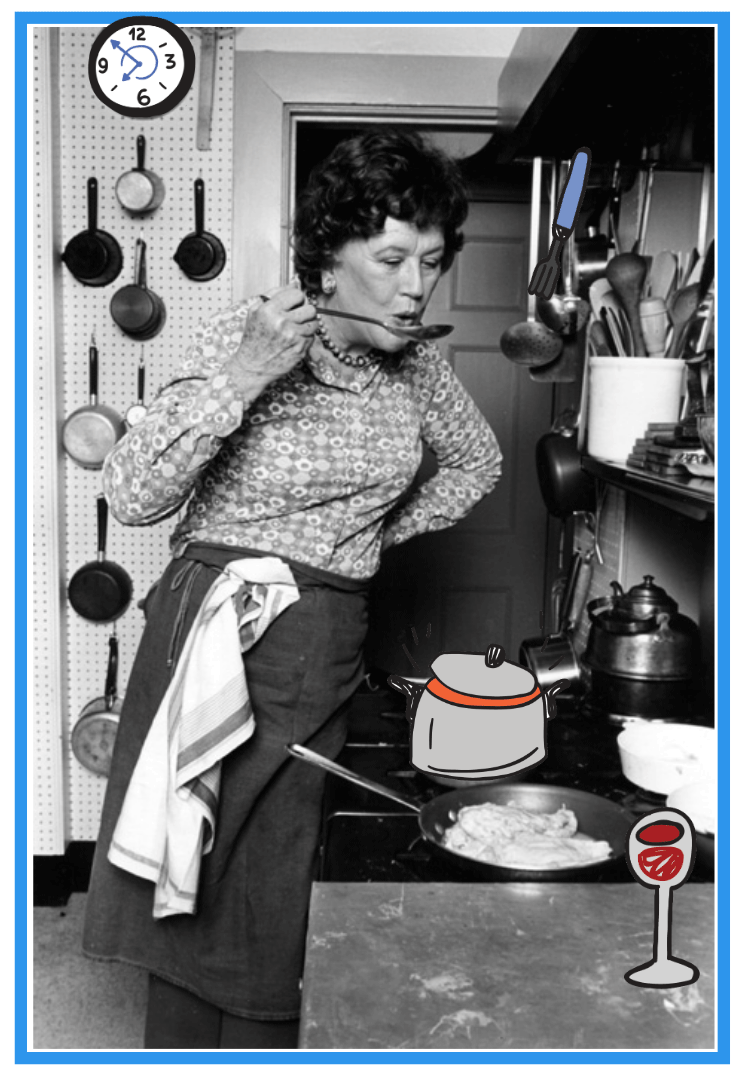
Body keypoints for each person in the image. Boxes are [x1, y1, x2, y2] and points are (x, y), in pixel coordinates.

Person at [82, 128, 503, 1050]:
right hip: (207, 633)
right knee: (189, 861)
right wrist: (243, 375)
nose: (414, 285)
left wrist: (355, 541)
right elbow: (134, 494)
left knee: (276, 870)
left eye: (429, 261)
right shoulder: (250, 334)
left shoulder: (418, 365)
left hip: (319, 639)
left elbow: (477, 462)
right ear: (325, 260)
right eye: (390, 257)